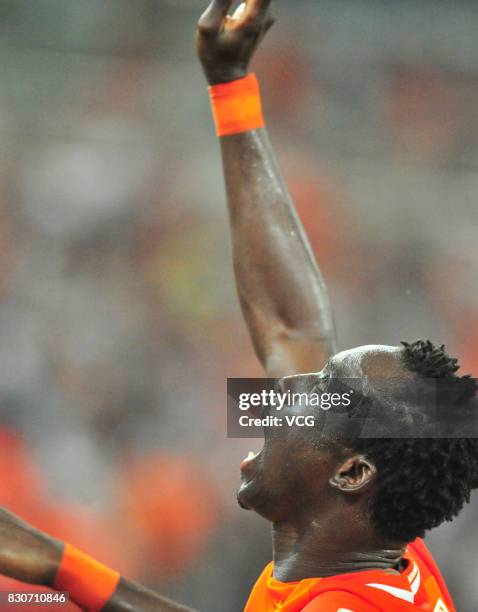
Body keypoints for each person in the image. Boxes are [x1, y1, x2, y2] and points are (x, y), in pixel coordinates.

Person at [0, 1, 476, 610]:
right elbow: (292, 324)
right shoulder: (387, 543)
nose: (275, 393)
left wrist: (54, 567)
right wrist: (231, 91)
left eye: (320, 392)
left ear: (351, 474)